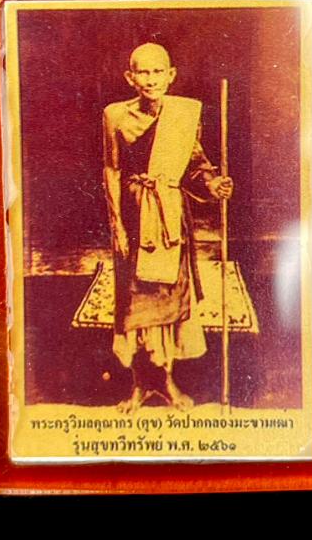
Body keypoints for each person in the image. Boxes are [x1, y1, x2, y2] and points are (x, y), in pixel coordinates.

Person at [102, 42, 233, 412]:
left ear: (171, 75)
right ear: (130, 77)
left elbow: (195, 164)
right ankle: (139, 384)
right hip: (134, 215)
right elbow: (111, 170)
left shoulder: (183, 114)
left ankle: (166, 380)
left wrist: (212, 184)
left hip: (172, 217)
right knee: (135, 303)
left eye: (158, 71)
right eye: (143, 72)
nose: (151, 79)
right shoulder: (115, 115)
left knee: (171, 299)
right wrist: (117, 226)